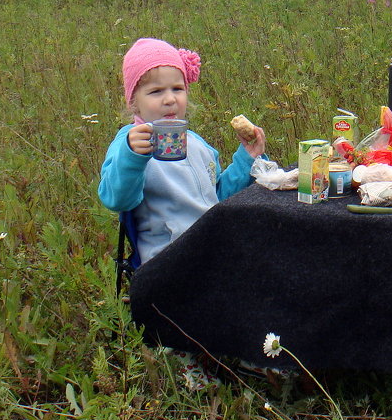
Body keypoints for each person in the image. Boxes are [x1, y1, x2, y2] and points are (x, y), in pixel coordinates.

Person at [98, 37, 266, 267]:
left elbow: (218, 199)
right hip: (168, 260)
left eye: (177, 89)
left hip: (212, 245)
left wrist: (247, 159)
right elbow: (117, 199)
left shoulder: (198, 145)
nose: (170, 99)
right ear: (133, 102)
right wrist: (132, 156)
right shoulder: (131, 142)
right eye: (156, 91)